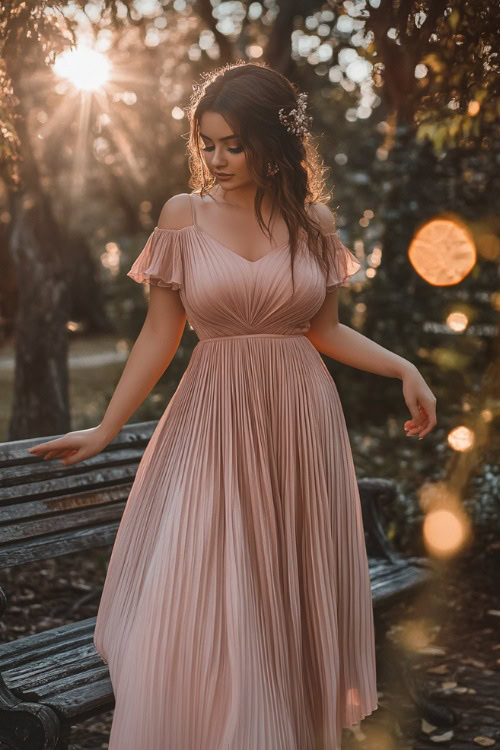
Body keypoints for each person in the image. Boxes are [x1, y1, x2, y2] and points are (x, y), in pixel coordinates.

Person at [27, 61, 436, 749]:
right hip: (214, 419)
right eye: (207, 142)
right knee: (219, 581)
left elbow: (324, 330)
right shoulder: (182, 216)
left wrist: (405, 367)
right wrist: (108, 426)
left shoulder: (315, 222)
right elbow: (161, 333)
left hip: (301, 420)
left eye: (233, 145)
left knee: (283, 585)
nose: (216, 159)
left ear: (273, 142)